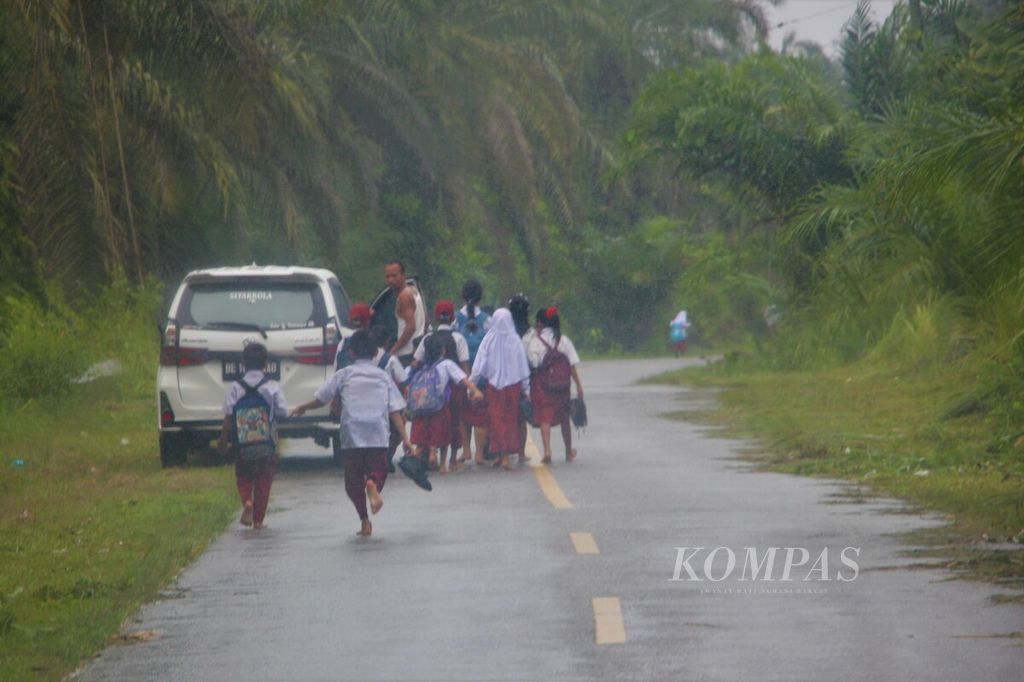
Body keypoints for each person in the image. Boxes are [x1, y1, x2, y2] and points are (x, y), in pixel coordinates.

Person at [290, 330, 413, 537]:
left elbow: (322, 398)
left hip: (352, 433)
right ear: (375, 353)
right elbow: (395, 411)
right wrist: (407, 439)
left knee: (353, 481)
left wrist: (304, 407)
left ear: (351, 352)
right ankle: (373, 483)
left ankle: (364, 521)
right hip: (377, 433)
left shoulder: (344, 374)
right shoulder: (383, 376)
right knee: (379, 469)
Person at [217, 342, 288, 530]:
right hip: (266, 443)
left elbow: (228, 416)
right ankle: (258, 521)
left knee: (243, 475)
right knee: (264, 479)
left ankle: (247, 500)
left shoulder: (235, 387)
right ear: (266, 364)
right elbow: (282, 411)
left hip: (242, 444)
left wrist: (223, 440)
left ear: (243, 363)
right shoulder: (271, 386)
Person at [409, 333, 483, 474]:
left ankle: (420, 455)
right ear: (443, 350)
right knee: (443, 435)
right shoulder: (447, 364)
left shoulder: (423, 367)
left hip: (422, 408)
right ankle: (443, 465)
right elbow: (463, 379)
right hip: (440, 407)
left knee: (424, 436)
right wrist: (475, 390)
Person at [469, 308, 531, 471]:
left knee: (495, 419)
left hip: (494, 388)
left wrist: (472, 384)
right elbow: (522, 366)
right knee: (510, 419)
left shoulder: (489, 340)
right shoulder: (515, 340)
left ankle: (500, 455)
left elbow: (479, 365)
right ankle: (504, 456)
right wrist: (527, 389)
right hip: (513, 387)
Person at [413, 300, 471, 469]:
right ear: (453, 317)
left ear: (436, 317)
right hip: (454, 388)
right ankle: (452, 460)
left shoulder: (428, 338)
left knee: (431, 420)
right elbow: (464, 366)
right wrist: (468, 387)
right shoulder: (458, 338)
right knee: (454, 421)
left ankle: (431, 454)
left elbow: (416, 363)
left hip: (431, 389)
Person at [527, 306, 584, 464]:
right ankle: (568, 451)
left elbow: (534, 363)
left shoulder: (536, 342)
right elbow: (572, 365)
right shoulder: (564, 340)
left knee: (545, 418)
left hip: (544, 387)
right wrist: (578, 385)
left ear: (540, 323)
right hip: (563, 386)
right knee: (564, 418)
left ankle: (547, 451)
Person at [454, 281, 494, 466]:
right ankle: (479, 453)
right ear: (481, 297)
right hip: (482, 374)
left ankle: (466, 451)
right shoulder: (487, 319)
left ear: (462, 296)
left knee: (463, 412)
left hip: (460, 373)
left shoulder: (455, 319)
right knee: (479, 413)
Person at [384, 261, 426, 367]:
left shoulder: (404, 297)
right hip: (418, 350)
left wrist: (393, 350)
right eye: (387, 277)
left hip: (407, 353)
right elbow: (425, 318)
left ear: (403, 275)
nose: (391, 280)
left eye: (394, 276)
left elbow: (411, 327)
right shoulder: (413, 290)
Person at [335, 303, 373, 369]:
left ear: (350, 321)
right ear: (368, 321)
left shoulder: (343, 343)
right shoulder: (373, 341)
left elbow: (336, 366)